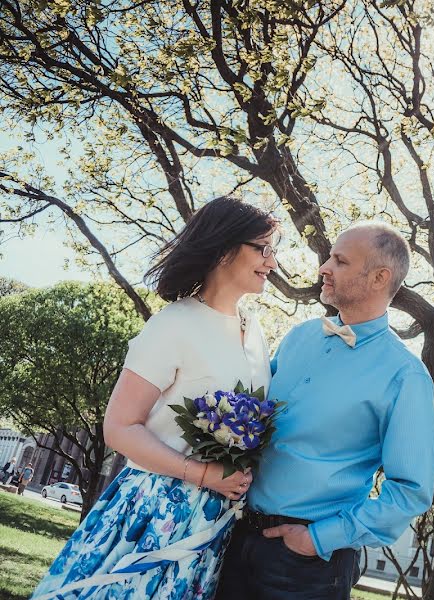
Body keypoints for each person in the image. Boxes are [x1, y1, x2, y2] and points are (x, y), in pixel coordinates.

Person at [31, 196, 278, 600]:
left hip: (212, 524)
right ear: (224, 248)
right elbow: (119, 426)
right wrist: (201, 475)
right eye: (264, 248)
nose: (272, 261)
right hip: (151, 513)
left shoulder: (256, 330)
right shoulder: (174, 323)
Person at [217, 222, 434, 600]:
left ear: (378, 277)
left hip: (307, 565)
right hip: (236, 537)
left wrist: (316, 539)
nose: (324, 268)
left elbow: (411, 492)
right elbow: (250, 417)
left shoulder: (405, 375)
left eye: (340, 260)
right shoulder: (300, 336)